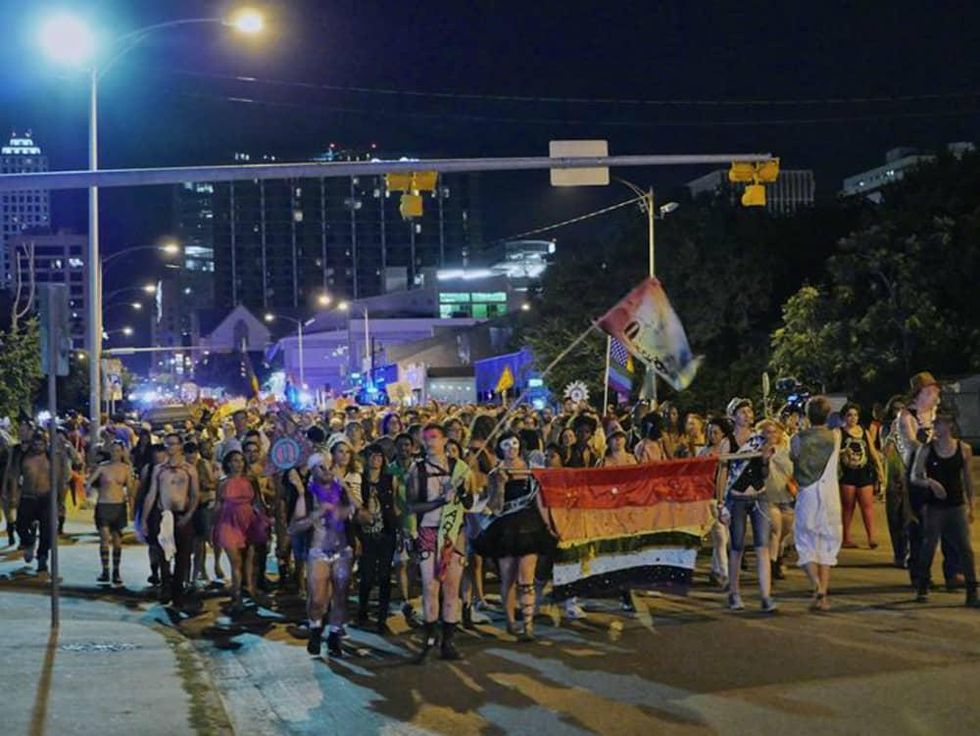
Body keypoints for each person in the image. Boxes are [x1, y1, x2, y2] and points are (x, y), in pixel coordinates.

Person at [475, 432, 555, 641]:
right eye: (506, 444)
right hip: (505, 529)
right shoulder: (496, 472)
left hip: (530, 527)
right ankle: (511, 621)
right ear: (500, 448)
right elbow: (494, 507)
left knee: (526, 577)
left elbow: (540, 500)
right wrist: (500, 485)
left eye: (515, 444)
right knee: (508, 578)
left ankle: (528, 624)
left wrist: (549, 525)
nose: (511, 448)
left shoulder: (531, 470)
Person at [407, 423, 474, 662]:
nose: (429, 442)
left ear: (445, 440)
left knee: (451, 589)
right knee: (429, 587)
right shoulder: (417, 470)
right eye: (426, 438)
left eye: (434, 437)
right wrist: (438, 501)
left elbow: (469, 504)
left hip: (453, 534)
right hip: (429, 530)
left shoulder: (461, 469)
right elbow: (412, 505)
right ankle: (429, 638)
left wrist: (460, 492)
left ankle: (449, 641)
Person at [910, 412, 978, 606]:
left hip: (956, 504)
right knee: (929, 546)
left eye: (939, 424)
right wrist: (930, 482)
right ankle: (922, 586)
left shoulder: (963, 449)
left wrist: (971, 505)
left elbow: (968, 479)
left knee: (965, 548)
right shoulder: (927, 449)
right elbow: (915, 476)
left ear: (949, 425)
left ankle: (972, 591)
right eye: (934, 424)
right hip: (934, 506)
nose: (936, 428)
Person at [291, 453, 355, 658]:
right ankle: (316, 629)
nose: (327, 471)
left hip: (342, 550)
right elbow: (294, 527)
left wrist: (345, 491)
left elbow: (358, 512)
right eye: (321, 467)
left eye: (329, 466)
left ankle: (335, 637)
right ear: (312, 471)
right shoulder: (308, 496)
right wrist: (316, 515)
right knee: (318, 599)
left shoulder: (342, 491)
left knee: (340, 597)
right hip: (318, 551)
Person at [718, 398, 776, 613]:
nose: (747, 415)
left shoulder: (758, 440)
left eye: (749, 411)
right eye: (742, 411)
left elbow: (765, 474)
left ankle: (766, 595)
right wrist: (720, 503)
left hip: (758, 495)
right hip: (737, 497)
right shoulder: (728, 442)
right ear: (733, 416)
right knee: (737, 547)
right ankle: (734, 592)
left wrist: (765, 460)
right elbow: (723, 473)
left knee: (762, 545)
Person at [791, 396, 842, 612]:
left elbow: (793, 459)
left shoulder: (797, 438)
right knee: (827, 544)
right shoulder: (836, 436)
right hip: (830, 494)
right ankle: (823, 597)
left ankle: (816, 585)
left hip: (808, 494)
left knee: (805, 542)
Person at [141, 432, 200, 610]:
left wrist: (189, 514)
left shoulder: (189, 469)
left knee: (183, 556)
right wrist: (144, 519)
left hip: (182, 514)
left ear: (180, 446)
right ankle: (165, 586)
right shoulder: (160, 469)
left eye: (173, 444)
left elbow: (195, 494)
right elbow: (152, 494)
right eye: (167, 444)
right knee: (163, 554)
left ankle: (178, 591)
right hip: (164, 515)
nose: (170, 448)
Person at [214, 449, 266, 613]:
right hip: (228, 522)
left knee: (248, 560)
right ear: (228, 463)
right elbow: (217, 505)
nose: (238, 464)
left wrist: (264, 521)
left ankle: (249, 590)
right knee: (235, 562)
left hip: (248, 520)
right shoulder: (223, 482)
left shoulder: (251, 480)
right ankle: (237, 597)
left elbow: (258, 502)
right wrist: (213, 527)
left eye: (241, 460)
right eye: (235, 460)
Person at [356, 444, 398, 634]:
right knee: (366, 576)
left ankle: (382, 618)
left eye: (379, 456)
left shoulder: (390, 480)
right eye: (372, 456)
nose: (376, 459)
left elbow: (395, 504)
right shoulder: (360, 481)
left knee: (384, 576)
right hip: (366, 533)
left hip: (386, 532)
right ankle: (362, 611)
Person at [16, 431, 68, 574]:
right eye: (36, 444)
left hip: (46, 497)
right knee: (20, 526)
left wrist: (60, 500)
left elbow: (61, 479)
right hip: (28, 497)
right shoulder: (25, 457)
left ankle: (42, 558)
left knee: (47, 532)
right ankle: (28, 541)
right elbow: (15, 475)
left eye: (41, 444)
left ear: (46, 444)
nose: (38, 447)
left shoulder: (52, 458)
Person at [86, 441, 133, 585]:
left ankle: (116, 571)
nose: (115, 454)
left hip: (118, 506)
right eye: (113, 451)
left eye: (118, 451)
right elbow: (89, 482)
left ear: (122, 452)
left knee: (117, 541)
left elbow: (130, 489)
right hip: (104, 505)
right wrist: (90, 493)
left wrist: (131, 506)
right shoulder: (103, 467)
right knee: (104, 539)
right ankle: (105, 570)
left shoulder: (126, 469)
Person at [838, 403, 882, 549]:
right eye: (849, 415)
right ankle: (846, 538)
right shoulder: (839, 432)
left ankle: (871, 538)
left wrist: (880, 469)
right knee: (848, 507)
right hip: (847, 474)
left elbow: (872, 451)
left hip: (864, 473)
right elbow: (834, 452)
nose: (853, 418)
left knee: (867, 506)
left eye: (855, 415)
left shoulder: (864, 431)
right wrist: (843, 452)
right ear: (844, 417)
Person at [760, 420, 795, 581]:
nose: (771, 435)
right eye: (768, 432)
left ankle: (778, 556)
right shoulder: (758, 452)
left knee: (784, 532)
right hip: (768, 497)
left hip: (786, 496)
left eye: (774, 431)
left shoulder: (787, 451)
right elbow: (762, 474)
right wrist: (765, 460)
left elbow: (792, 471)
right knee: (775, 530)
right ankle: (772, 566)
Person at [186, 441, 221, 586]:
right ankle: (191, 575)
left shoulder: (203, 464)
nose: (192, 456)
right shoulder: (183, 467)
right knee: (190, 544)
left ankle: (200, 572)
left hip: (203, 506)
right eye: (189, 453)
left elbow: (214, 483)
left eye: (194, 453)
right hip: (188, 508)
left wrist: (206, 486)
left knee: (202, 541)